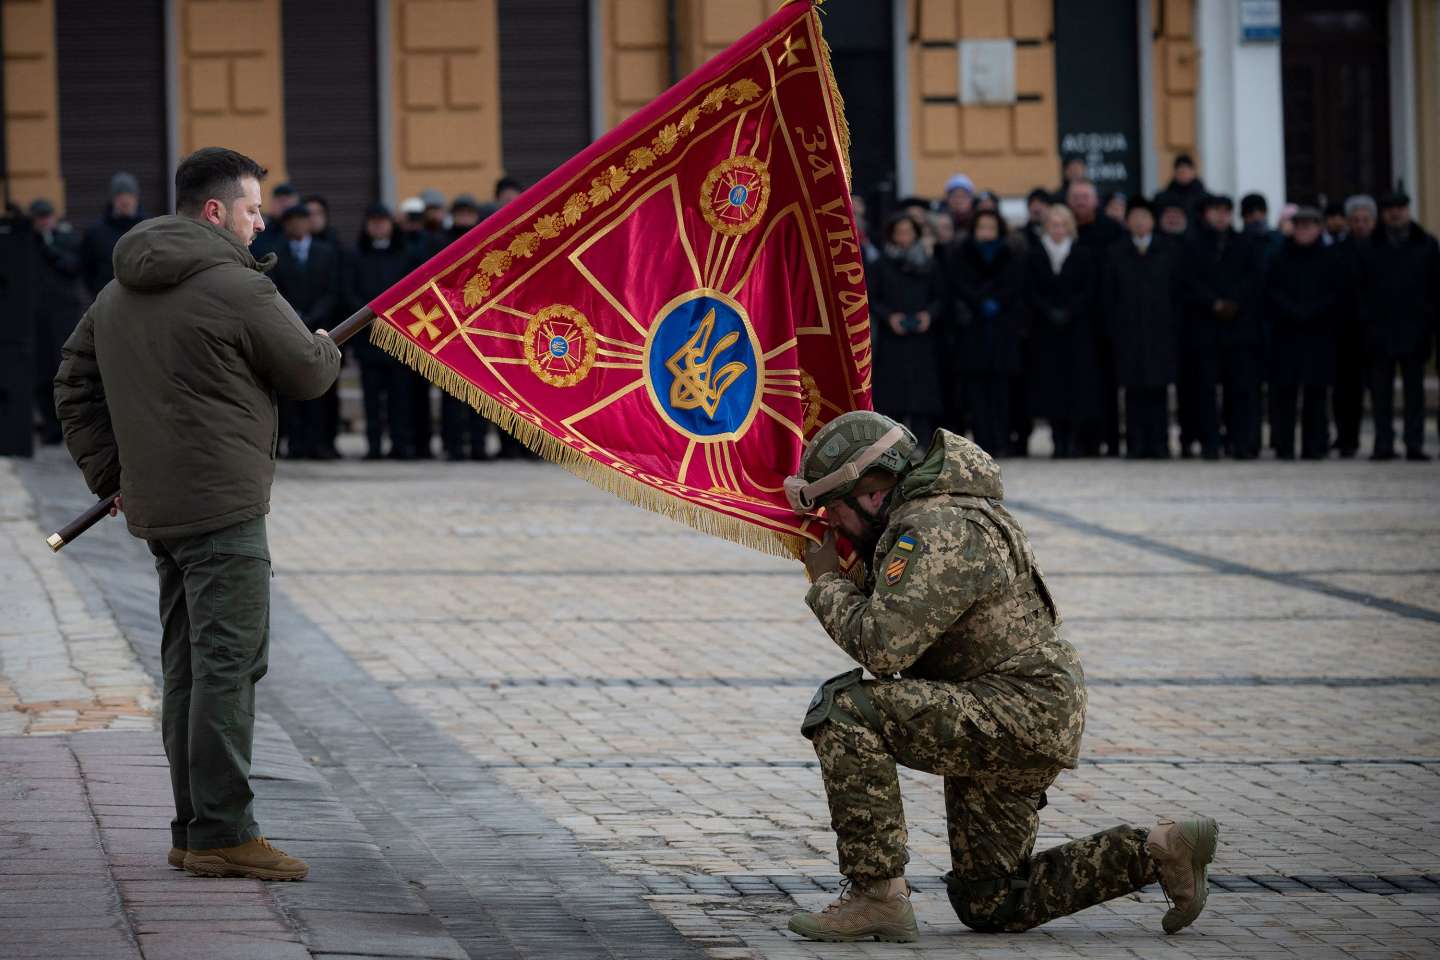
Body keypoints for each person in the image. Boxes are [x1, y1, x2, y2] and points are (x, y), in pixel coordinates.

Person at [783, 411, 1218, 944]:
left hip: (1015, 709)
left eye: (833, 508)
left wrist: (828, 581)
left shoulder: (936, 527)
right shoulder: (942, 511)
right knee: (990, 900)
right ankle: (1160, 850)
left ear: (873, 494)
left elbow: (882, 646)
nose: (829, 523)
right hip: (1020, 705)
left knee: (844, 708)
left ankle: (876, 895)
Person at [54, 146, 339, 881]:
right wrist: (326, 348)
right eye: (251, 210)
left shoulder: (119, 290)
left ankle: (193, 826)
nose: (258, 223)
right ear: (215, 212)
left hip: (160, 510)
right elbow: (307, 374)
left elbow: (71, 385)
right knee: (228, 664)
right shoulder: (235, 286)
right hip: (224, 507)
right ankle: (220, 831)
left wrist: (112, 475)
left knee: (188, 667)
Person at [1360, 191, 1439, 461]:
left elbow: (1434, 287)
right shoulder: (1370, 246)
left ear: (1408, 210)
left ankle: (1414, 443)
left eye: (1400, 208)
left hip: (1415, 329)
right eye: (1390, 208)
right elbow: (1359, 289)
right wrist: (1367, 321)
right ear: (1383, 213)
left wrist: (1428, 318)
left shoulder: (1426, 244)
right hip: (1378, 331)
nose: (1395, 213)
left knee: (1414, 392)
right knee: (1380, 393)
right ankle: (1383, 443)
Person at [1184, 195, 1264, 459]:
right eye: (1215, 211)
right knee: (1205, 391)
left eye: (1225, 211)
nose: (1220, 216)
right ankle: (1210, 442)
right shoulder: (1194, 245)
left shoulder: (1244, 243)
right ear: (1206, 214)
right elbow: (1189, 281)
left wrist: (1234, 303)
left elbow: (1253, 279)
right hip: (1205, 328)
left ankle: (1240, 441)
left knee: (1240, 390)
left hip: (1238, 328)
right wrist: (1213, 303)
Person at [1104, 197, 1182, 459]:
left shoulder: (1168, 251)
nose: (1139, 222)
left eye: (1144, 217)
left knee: (1158, 391)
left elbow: (1177, 294)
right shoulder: (1115, 253)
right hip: (1129, 334)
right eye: (1134, 217)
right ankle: (1135, 444)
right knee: (1133, 391)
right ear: (1127, 222)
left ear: (1152, 222)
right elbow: (1109, 297)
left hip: (1160, 334)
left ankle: (1160, 444)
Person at [944, 209, 1022, 457]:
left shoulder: (1011, 255)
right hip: (974, 331)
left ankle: (1001, 440)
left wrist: (998, 301)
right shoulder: (962, 255)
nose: (986, 232)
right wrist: (980, 301)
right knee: (976, 392)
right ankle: (982, 441)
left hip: (1002, 330)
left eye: (991, 227)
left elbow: (1015, 286)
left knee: (1001, 391)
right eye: (982, 227)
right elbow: (959, 286)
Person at [1025, 204, 1100, 458]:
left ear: (1070, 227)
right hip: (1046, 331)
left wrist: (1070, 311)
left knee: (1076, 385)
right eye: (1053, 225)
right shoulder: (1036, 254)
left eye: (1062, 225)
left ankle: (1073, 440)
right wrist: (1049, 311)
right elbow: (1031, 290)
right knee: (1051, 386)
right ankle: (1058, 439)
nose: (1058, 230)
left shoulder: (1082, 253)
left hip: (1076, 330)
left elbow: (1089, 289)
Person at [1266, 207, 1341, 460]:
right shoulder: (1279, 256)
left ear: (1319, 228)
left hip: (1318, 333)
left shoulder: (1330, 258)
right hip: (1286, 333)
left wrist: (1312, 311)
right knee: (1285, 394)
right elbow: (1270, 291)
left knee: (1316, 394)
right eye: (1299, 226)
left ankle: (1315, 445)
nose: (1303, 231)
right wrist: (1292, 310)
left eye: (1309, 226)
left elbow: (1336, 293)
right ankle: (1284, 445)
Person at [271, 204, 342, 459]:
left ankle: (322, 443)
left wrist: (313, 316)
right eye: (292, 221)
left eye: (302, 220)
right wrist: (294, 316)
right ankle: (296, 443)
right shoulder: (276, 254)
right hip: (289, 329)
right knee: (292, 390)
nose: (297, 226)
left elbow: (333, 291)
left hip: (320, 329)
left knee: (324, 390)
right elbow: (273, 290)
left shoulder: (326, 252)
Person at [346, 202, 416, 460]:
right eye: (373, 222)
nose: (378, 226)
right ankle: (373, 446)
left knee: (400, 397)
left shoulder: (406, 254)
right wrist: (369, 318)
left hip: (398, 338)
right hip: (368, 338)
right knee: (371, 398)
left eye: (382, 221)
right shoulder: (355, 256)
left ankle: (401, 444)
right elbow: (349, 291)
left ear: (391, 225)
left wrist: (392, 318)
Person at [870, 213, 945, 444]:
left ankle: (923, 441)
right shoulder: (881, 265)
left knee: (922, 393)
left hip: (923, 338)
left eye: (909, 231)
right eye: (900, 232)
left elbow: (941, 296)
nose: (904, 236)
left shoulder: (929, 264)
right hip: (893, 338)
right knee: (894, 394)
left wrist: (928, 315)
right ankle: (894, 444)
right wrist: (889, 317)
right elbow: (872, 297)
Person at [1069, 179, 1124, 457]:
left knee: (1108, 384)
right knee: (1080, 385)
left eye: (1085, 196)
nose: (1080, 201)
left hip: (1106, 318)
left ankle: (1112, 440)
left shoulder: (1112, 230)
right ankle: (1084, 441)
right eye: (1076, 197)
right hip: (1076, 323)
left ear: (1096, 200)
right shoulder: (1067, 230)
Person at [440, 194, 494, 461]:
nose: (464, 219)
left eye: (468, 213)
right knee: (451, 394)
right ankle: (453, 446)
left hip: (479, 327)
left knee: (480, 393)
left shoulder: (487, 244)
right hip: (450, 329)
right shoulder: (441, 245)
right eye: (460, 213)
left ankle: (478, 445)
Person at [29, 199, 85, 445]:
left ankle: (72, 427)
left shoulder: (68, 238)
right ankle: (51, 430)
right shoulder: (27, 243)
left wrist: (49, 246)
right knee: (42, 374)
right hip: (37, 320)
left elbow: (73, 267)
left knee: (66, 372)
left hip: (64, 317)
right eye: (39, 218)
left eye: (46, 216)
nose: (43, 222)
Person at [1331, 195, 1378, 458]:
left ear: (1373, 221)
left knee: (1376, 390)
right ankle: (1346, 438)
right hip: (1344, 332)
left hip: (1376, 331)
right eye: (1355, 220)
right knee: (1344, 391)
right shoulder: (1338, 251)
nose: (1360, 225)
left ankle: (1384, 440)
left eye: (1365, 220)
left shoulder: (1381, 249)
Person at [79, 171, 145, 299]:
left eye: (129, 195)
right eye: (120, 195)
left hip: (142, 301)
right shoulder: (95, 233)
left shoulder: (149, 228)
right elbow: (86, 269)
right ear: (113, 198)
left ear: (136, 197)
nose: (125, 200)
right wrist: (98, 293)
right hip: (107, 302)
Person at [249, 182, 299, 261]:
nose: (284, 206)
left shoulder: (307, 232)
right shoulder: (260, 231)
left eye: (288, 201)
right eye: (280, 201)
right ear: (272, 203)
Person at [1161, 153, 1207, 223]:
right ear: (1175, 173)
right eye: (1180, 172)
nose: (1183, 175)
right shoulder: (1165, 198)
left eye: (1186, 171)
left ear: (1193, 172)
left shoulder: (1204, 198)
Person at [943, 173, 975, 241]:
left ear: (971, 199)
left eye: (963, 196)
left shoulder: (978, 221)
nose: (958, 200)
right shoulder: (940, 222)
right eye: (955, 196)